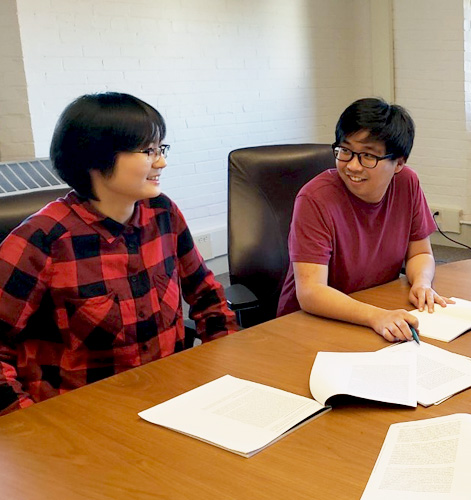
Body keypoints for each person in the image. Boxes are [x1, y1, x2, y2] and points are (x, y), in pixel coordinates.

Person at [0, 93, 238, 415]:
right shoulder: (42, 239)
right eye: (148, 151)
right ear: (96, 158)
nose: (161, 162)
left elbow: (208, 297)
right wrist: (30, 423)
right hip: (82, 421)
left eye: (161, 149)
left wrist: (222, 374)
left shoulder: (162, 212)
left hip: (172, 401)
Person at [276, 98, 448, 342]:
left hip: (372, 309)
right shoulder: (315, 199)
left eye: (368, 156)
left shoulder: (407, 183)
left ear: (398, 162)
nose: (353, 166)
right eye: (345, 151)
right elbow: (311, 292)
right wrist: (375, 316)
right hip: (310, 325)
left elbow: (420, 253)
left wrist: (421, 283)